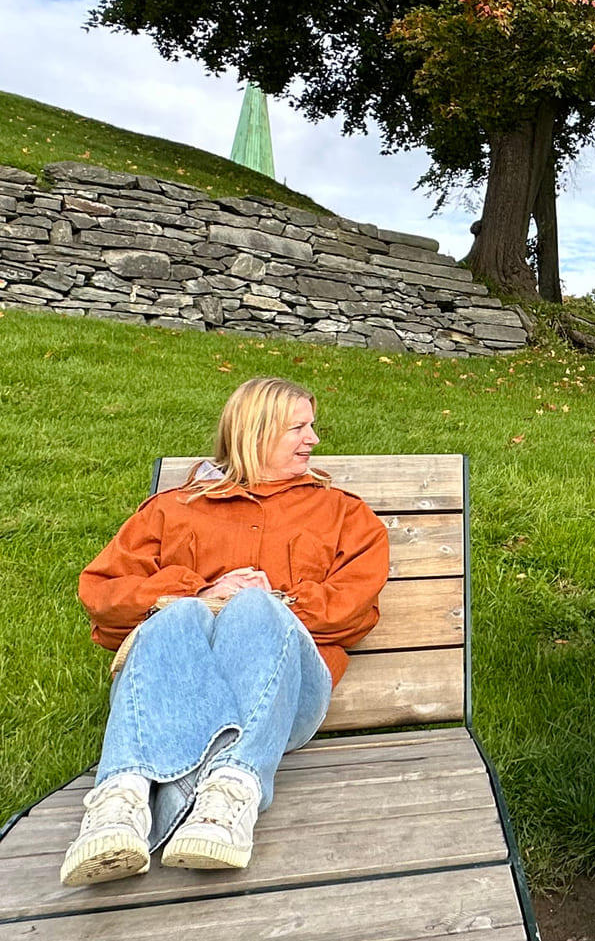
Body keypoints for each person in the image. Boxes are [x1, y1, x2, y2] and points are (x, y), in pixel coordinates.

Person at [60, 376, 389, 886]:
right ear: (255, 432)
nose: (314, 440)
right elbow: (103, 593)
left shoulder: (343, 512)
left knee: (254, 607)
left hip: (287, 699)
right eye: (298, 428)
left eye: (312, 427)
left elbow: (354, 609)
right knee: (176, 613)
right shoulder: (173, 509)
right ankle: (119, 807)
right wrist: (200, 592)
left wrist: (267, 601)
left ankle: (229, 793)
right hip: (177, 693)